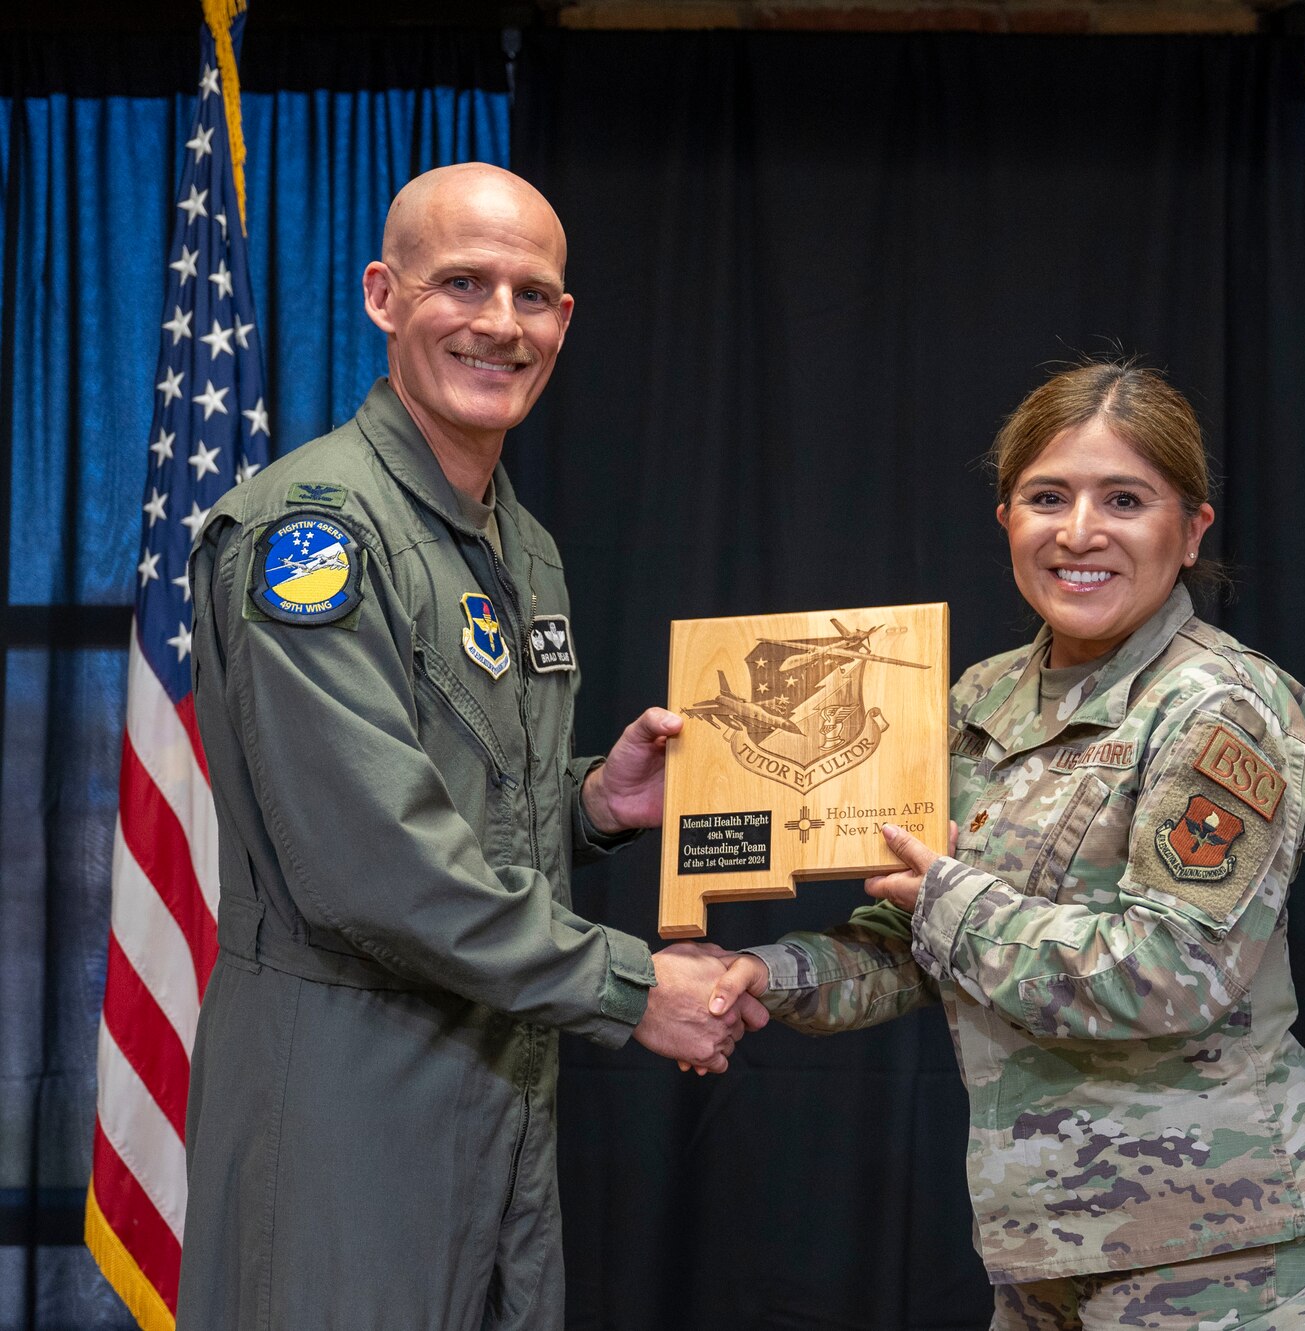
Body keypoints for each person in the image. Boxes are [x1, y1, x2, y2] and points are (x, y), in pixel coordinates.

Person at [179, 163, 763, 1330]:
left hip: (501, 1080)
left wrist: (593, 801)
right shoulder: (315, 538)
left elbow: (467, 809)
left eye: (532, 295)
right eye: (463, 283)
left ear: (564, 320)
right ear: (383, 295)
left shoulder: (519, 546)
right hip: (346, 1089)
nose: (500, 323)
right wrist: (634, 984)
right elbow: (370, 865)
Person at [701, 363, 1305, 1330]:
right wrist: (758, 977)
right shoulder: (979, 698)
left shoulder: (1221, 709)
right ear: (1007, 516)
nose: (1080, 531)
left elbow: (1172, 970)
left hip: (1215, 1247)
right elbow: (916, 942)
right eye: (1048, 497)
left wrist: (946, 901)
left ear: (1192, 530)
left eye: (1125, 500)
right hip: (1041, 1242)